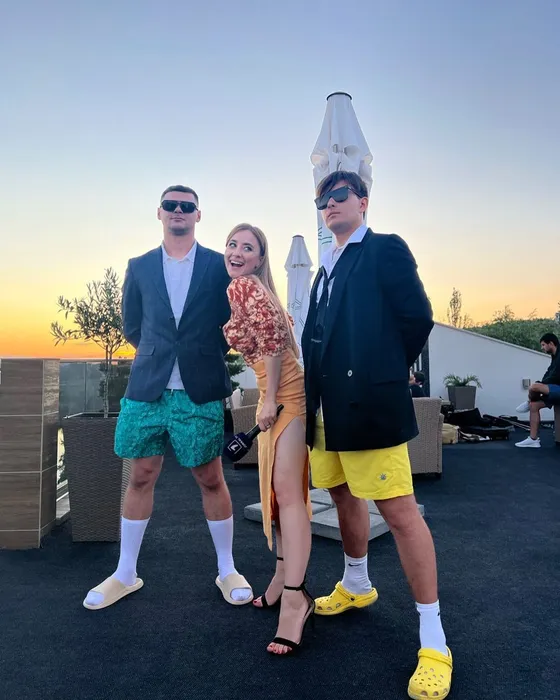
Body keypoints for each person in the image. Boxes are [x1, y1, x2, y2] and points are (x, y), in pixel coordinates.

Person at [302, 171, 453, 699]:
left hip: (368, 404)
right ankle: (357, 583)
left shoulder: (385, 248)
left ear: (363, 201)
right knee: (342, 496)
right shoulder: (326, 267)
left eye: (339, 195)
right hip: (326, 412)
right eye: (322, 200)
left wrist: (381, 370)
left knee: (400, 513)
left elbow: (417, 318)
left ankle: (434, 639)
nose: (330, 204)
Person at [83, 185, 253, 610]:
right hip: (148, 387)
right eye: (171, 205)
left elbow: (230, 324)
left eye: (187, 206)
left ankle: (227, 569)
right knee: (141, 475)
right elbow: (132, 325)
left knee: (210, 477)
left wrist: (200, 355)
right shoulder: (139, 266)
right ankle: (125, 574)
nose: (179, 210)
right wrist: (159, 354)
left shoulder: (218, 265)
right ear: (159, 213)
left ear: (198, 215)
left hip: (199, 389)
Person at [223, 223, 314, 655]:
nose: (237, 252)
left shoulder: (245, 287)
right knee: (279, 494)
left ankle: (296, 600)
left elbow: (275, 345)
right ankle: (281, 576)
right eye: (232, 245)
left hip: (285, 396)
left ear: (260, 258)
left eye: (248, 247)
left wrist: (271, 399)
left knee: (288, 495)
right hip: (277, 394)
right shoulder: (255, 289)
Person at [515, 332, 560, 448]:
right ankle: (533, 439)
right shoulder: (554, 357)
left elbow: (556, 376)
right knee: (534, 406)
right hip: (555, 390)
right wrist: (541, 384)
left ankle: (529, 400)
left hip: (558, 389)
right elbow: (549, 373)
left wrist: (540, 385)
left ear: (551, 343)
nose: (542, 348)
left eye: (543, 345)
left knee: (534, 387)